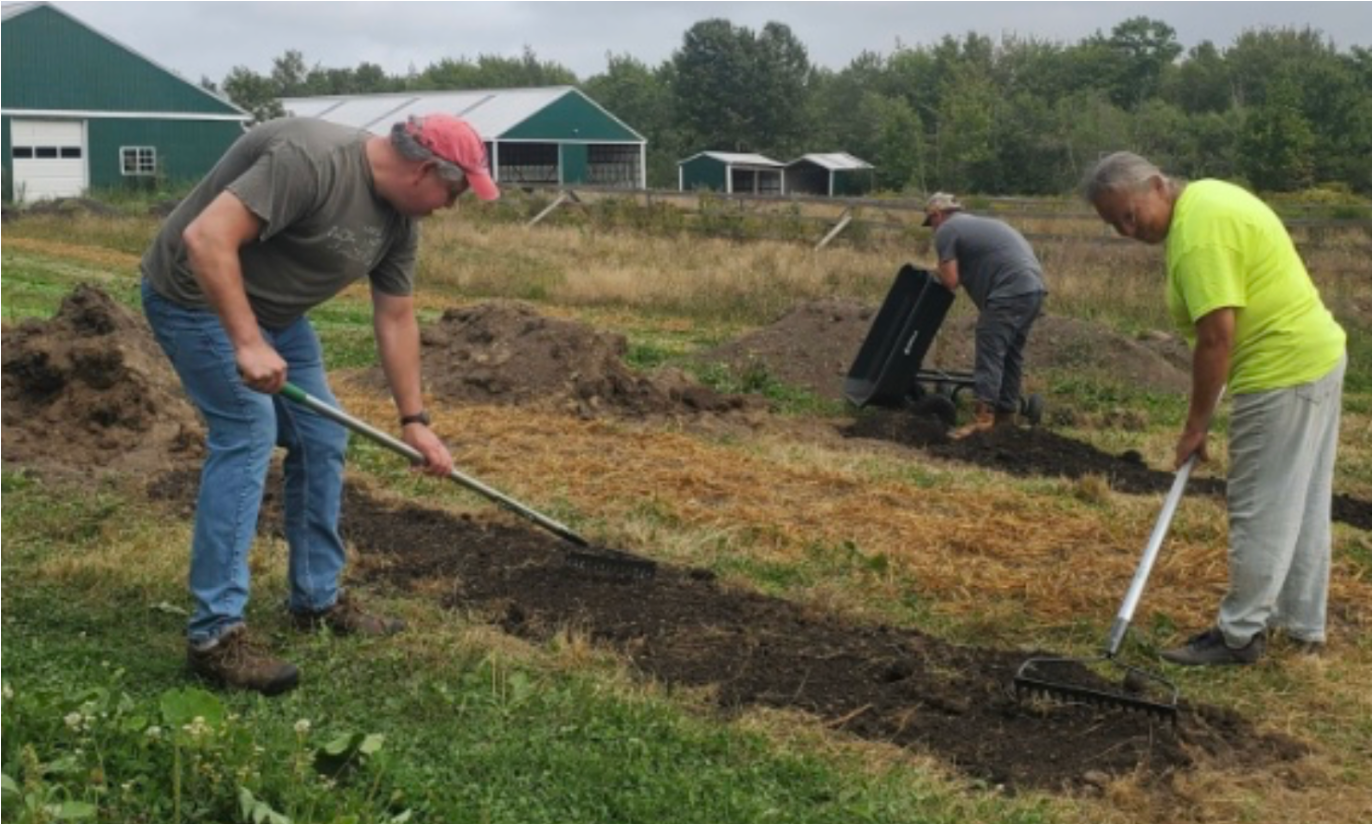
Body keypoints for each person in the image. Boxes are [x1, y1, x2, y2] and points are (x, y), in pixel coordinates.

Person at [140, 113, 500, 695]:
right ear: (427, 168)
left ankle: (315, 600)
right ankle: (215, 637)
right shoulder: (312, 161)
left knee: (324, 436)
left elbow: (396, 315)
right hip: (194, 299)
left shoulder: (401, 221)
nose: (450, 206)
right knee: (249, 431)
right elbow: (205, 239)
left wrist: (415, 421)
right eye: (454, 192)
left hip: (277, 318)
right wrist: (247, 342)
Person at [1082, 151, 1346, 666]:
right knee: (1302, 502)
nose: (1126, 232)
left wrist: (1195, 426)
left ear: (1157, 185)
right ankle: (1301, 625)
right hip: (1314, 354)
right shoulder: (1207, 200)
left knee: (1261, 505)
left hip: (1282, 369)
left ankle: (1240, 636)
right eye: (1114, 224)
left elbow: (1215, 337)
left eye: (1130, 216)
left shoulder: (1198, 235)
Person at [922, 192, 1048, 438]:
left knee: (989, 346)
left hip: (1009, 291)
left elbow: (950, 280)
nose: (932, 229)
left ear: (937, 215)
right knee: (1011, 354)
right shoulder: (979, 224)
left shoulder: (947, 230)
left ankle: (983, 418)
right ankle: (1004, 418)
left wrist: (931, 271)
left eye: (931, 222)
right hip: (1033, 289)